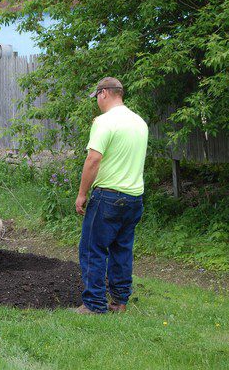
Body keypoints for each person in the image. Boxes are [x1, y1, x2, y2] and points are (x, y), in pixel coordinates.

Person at [74, 77, 148, 314]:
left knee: (92, 249)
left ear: (104, 93)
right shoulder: (139, 123)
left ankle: (94, 304)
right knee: (122, 250)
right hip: (134, 197)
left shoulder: (105, 122)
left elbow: (93, 159)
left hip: (108, 197)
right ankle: (119, 302)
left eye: (96, 96)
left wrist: (82, 194)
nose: (96, 101)